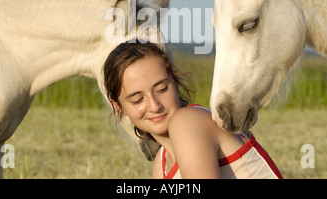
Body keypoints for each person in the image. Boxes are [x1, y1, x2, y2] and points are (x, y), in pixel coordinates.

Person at [103, 40, 282, 179]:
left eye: (161, 89)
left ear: (174, 81)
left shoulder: (188, 121)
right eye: (138, 99)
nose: (155, 106)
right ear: (119, 107)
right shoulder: (161, 164)